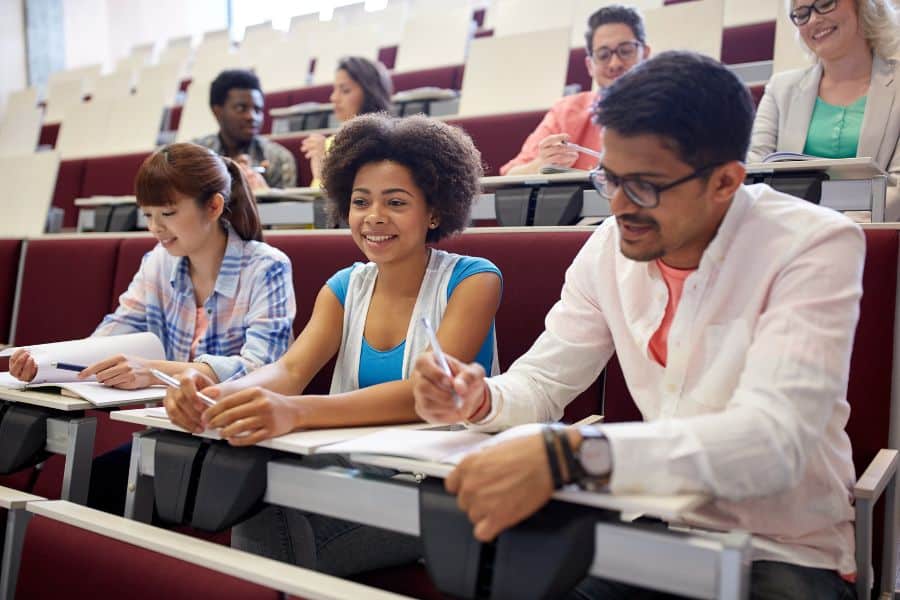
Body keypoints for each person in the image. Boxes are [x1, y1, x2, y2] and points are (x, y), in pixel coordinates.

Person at [413, 51, 863, 600]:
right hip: (658, 532)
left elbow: (772, 441)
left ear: (725, 181)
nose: (620, 206)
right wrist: (478, 400)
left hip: (782, 547)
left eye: (645, 185)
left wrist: (573, 457)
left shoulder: (812, 244)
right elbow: (544, 381)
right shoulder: (607, 248)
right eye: (610, 178)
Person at [164, 114, 502, 575]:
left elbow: (422, 396)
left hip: (442, 489)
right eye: (361, 201)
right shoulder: (343, 287)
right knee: (252, 505)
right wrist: (214, 395)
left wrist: (299, 411)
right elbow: (288, 372)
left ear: (436, 210)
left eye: (396, 202)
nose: (374, 217)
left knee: (265, 531)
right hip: (356, 475)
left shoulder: (475, 280)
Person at [10, 142, 296, 511]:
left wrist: (153, 372)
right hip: (173, 433)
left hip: (240, 442)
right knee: (89, 492)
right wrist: (48, 360)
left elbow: (261, 369)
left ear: (213, 206)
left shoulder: (267, 267)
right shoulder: (159, 261)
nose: (154, 227)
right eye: (147, 214)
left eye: (168, 212)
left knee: (102, 493)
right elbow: (118, 327)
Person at [748, 0, 900, 219]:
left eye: (826, 3)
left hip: (876, 238)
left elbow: (897, 187)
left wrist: (837, 231)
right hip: (790, 234)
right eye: (802, 14)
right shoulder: (780, 89)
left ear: (863, 5)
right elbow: (755, 172)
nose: (814, 20)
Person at [500, 5, 650, 176]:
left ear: (645, 54)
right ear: (589, 66)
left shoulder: (672, 107)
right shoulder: (567, 111)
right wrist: (541, 164)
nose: (615, 63)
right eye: (603, 55)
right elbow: (510, 175)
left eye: (625, 51)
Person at [194, 69, 297, 190]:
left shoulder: (279, 158)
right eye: (241, 108)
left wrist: (265, 193)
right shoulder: (196, 158)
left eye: (257, 110)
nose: (252, 117)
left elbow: (289, 208)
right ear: (217, 111)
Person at [302, 56, 393, 187]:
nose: (333, 98)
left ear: (370, 94)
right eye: (334, 90)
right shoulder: (329, 144)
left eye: (345, 90)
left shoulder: (389, 143)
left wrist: (325, 172)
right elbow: (317, 203)